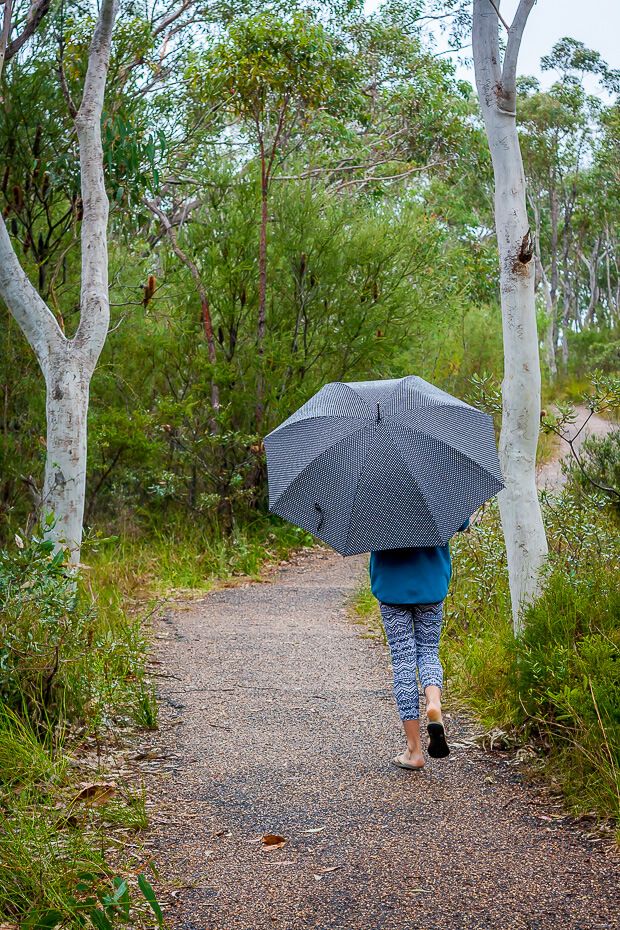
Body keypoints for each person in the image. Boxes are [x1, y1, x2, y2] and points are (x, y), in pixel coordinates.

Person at [369, 518, 470, 771]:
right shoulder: (436, 484)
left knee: (403, 660)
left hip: (391, 586)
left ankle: (414, 751)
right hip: (431, 583)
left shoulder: (373, 488)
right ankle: (433, 702)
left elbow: (363, 530)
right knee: (428, 651)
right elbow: (461, 523)